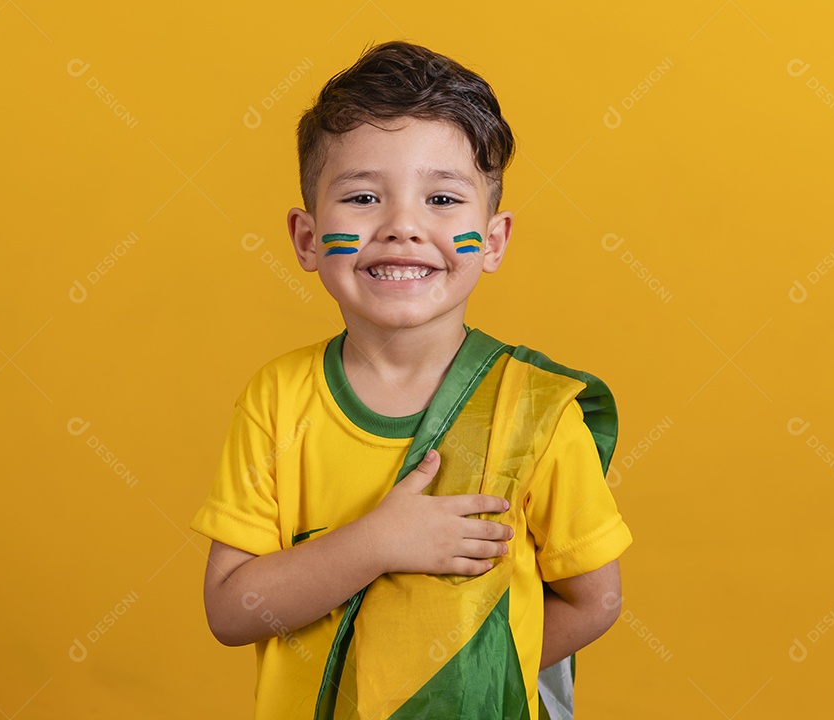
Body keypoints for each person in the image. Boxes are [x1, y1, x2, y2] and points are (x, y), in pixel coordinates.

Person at [191, 40, 633, 720]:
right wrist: (377, 542)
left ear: (492, 240)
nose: (402, 226)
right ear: (307, 238)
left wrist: (448, 681)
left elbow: (595, 598)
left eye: (443, 198)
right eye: (365, 196)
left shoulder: (534, 414)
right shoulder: (277, 400)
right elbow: (229, 608)